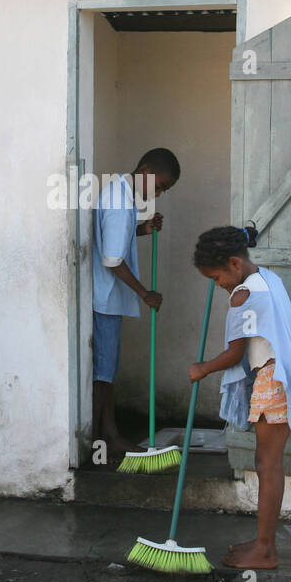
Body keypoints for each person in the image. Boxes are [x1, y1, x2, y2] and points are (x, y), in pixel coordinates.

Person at [189, 224, 291, 569]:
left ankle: (266, 550)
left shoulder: (244, 296)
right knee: (266, 464)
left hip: (273, 382)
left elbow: (234, 354)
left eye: (216, 277)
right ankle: (261, 541)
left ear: (234, 265)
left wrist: (202, 368)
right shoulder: (267, 278)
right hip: (278, 377)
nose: (217, 285)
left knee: (268, 466)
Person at [91, 147, 180, 456]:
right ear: (144, 171)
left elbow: (115, 238)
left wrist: (143, 228)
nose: (158, 193)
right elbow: (113, 259)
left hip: (107, 296)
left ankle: (104, 434)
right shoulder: (118, 201)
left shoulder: (119, 193)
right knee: (104, 372)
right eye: (159, 186)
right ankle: (106, 437)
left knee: (106, 370)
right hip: (105, 298)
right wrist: (145, 294)